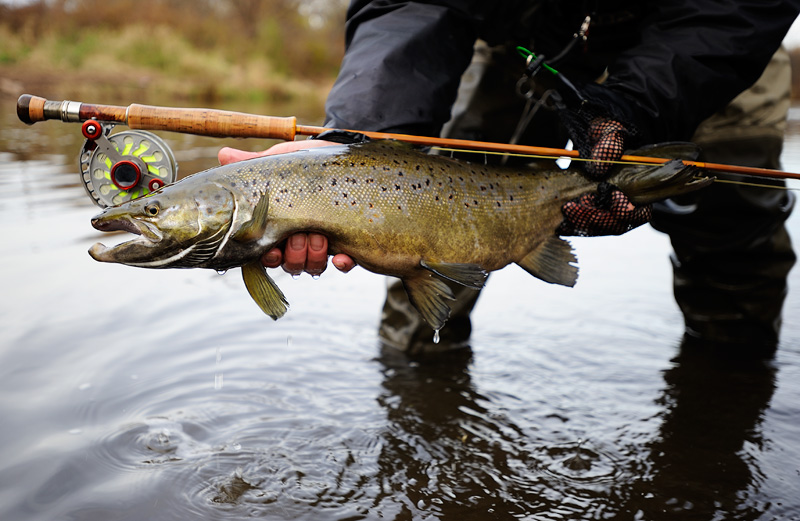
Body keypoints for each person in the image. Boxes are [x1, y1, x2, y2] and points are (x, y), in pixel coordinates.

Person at [220, 1, 799, 356]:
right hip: (527, 39)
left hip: (709, 42)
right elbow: (408, 5)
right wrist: (360, 137)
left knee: (736, 228)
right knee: (430, 213)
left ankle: (727, 400)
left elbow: (735, 13)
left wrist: (634, 107)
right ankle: (418, 375)